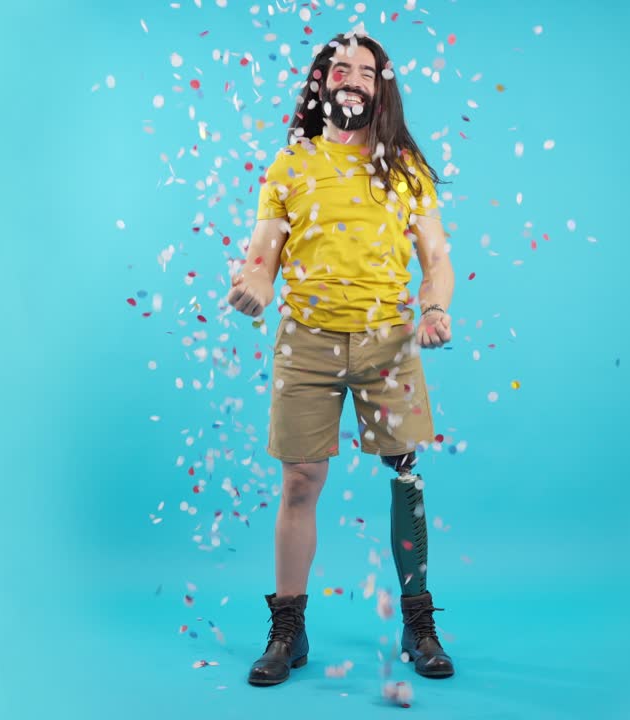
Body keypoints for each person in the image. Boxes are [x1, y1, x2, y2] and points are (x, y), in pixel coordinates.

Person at [226, 28, 457, 687]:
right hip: (307, 340)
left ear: (381, 87)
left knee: (405, 474)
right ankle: (288, 628)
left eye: (366, 69)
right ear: (321, 83)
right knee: (299, 480)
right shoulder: (289, 165)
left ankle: (418, 622)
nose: (352, 76)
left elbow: (437, 262)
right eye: (341, 67)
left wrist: (435, 309)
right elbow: (262, 256)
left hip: (388, 338)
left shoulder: (407, 170)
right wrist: (255, 286)